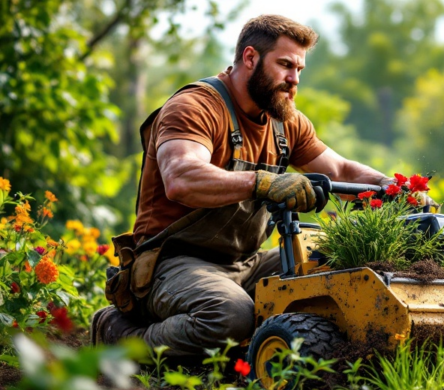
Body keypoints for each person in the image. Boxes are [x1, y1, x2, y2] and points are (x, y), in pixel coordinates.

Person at [90, 15, 392, 358]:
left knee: (343, 271)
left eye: (299, 69)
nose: (294, 79)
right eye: (285, 65)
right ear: (250, 58)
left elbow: (340, 169)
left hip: (246, 262)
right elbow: (182, 177)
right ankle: (119, 336)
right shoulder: (196, 107)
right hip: (172, 263)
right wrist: (264, 182)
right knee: (229, 317)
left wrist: (390, 185)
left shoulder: (285, 121)